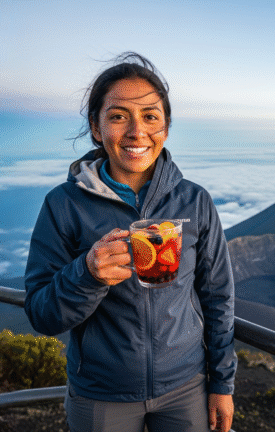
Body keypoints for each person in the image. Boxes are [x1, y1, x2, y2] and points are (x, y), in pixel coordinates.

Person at [24, 52, 237, 432]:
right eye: (118, 116)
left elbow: (218, 296)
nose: (137, 132)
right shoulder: (64, 204)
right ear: (96, 126)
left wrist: (222, 383)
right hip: (101, 395)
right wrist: (87, 274)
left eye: (150, 116)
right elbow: (42, 314)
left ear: (166, 128)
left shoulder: (195, 201)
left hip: (186, 387)